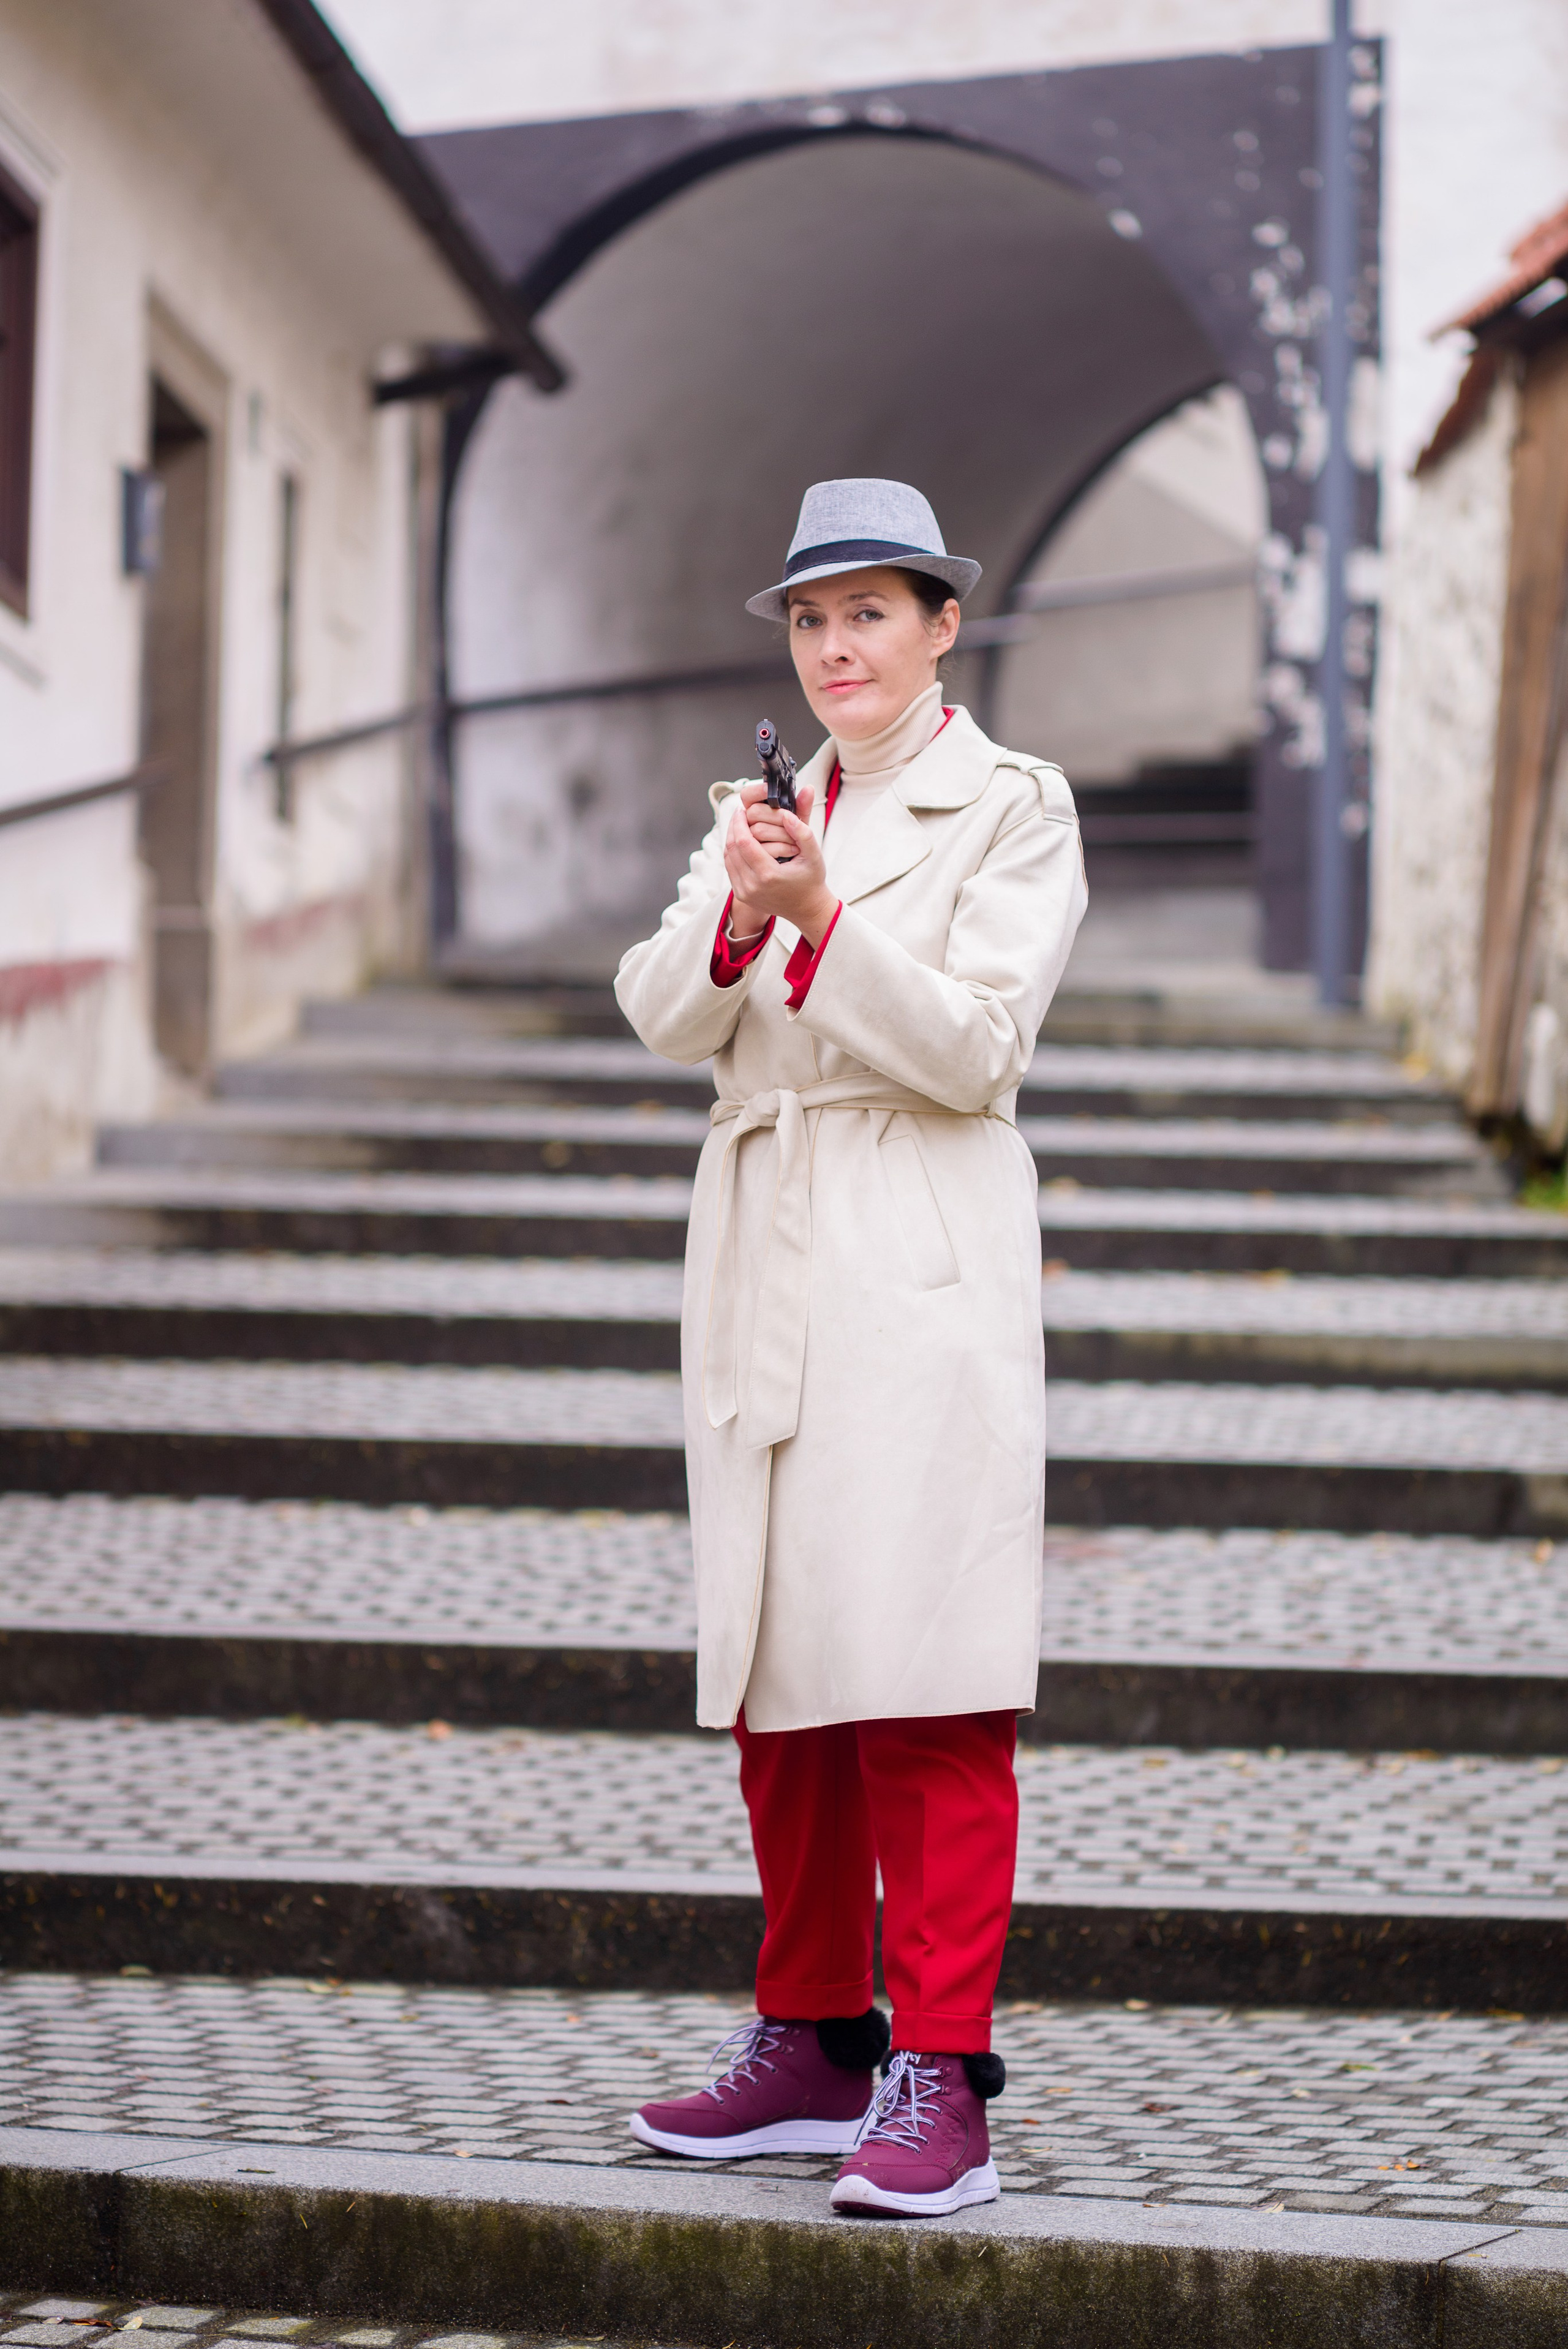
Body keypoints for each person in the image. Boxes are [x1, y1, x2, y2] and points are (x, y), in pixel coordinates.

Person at [614, 478, 1087, 2219]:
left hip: (918, 1250)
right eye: (812, 620)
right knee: (780, 1665)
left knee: (927, 1668)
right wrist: (747, 906)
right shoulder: (762, 808)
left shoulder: (1014, 805)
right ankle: (815, 2034)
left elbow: (976, 1050)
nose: (836, 648)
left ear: (942, 625)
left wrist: (822, 918)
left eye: (869, 613)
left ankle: (939, 2071)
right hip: (766, 1248)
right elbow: (658, 1008)